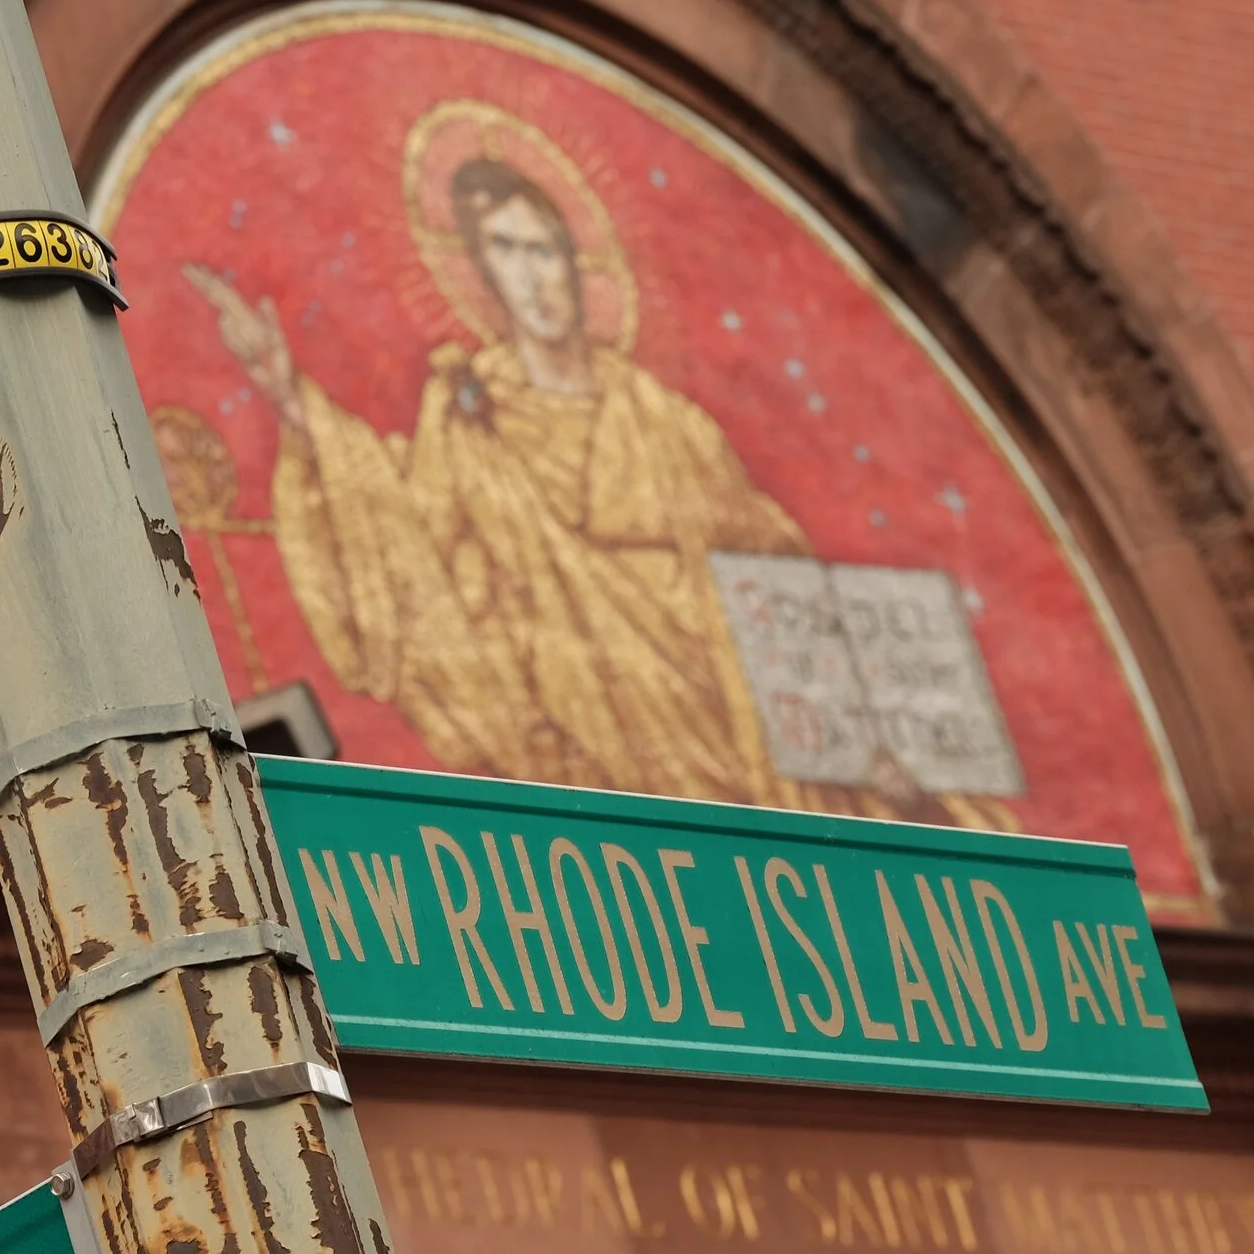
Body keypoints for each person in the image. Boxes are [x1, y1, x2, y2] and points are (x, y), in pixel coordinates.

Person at [191, 156, 992, 825]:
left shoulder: (672, 426)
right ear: (482, 272)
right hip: (580, 755)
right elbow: (405, 547)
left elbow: (777, 579)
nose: (534, 277)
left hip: (742, 752)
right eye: (508, 251)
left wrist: (866, 734)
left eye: (545, 251)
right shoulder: (468, 415)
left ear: (580, 264)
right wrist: (294, 399)